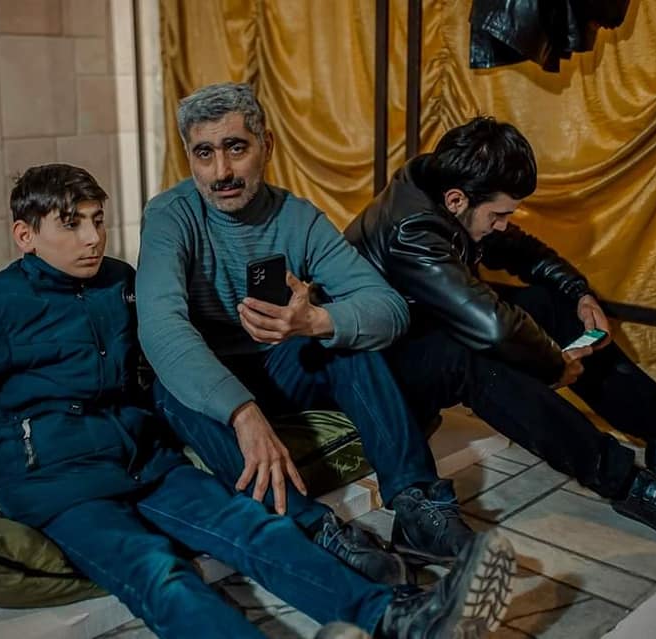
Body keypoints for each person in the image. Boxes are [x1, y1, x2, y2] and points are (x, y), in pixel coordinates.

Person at [0, 163, 518, 639]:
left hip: (142, 458)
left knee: (254, 526)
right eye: (71, 224)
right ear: (25, 234)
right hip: (58, 482)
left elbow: (168, 348)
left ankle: (396, 617)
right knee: (161, 573)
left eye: (97, 219)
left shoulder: (120, 282)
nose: (92, 237)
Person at [344, 116, 656, 553]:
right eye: (498, 215)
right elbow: (493, 327)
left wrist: (579, 292)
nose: (503, 225)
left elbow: (518, 250)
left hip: (424, 325)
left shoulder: (447, 188)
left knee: (548, 303)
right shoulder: (412, 229)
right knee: (481, 358)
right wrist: (555, 365)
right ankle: (626, 483)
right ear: (456, 200)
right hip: (376, 365)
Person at [136, 82, 480, 573]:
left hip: (279, 367)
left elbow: (388, 308)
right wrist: (242, 413)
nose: (221, 171)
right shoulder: (170, 215)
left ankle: (415, 507)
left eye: (236, 148)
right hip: (210, 380)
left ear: (266, 146)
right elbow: (160, 327)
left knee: (345, 340)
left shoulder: (297, 217)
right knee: (170, 388)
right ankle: (314, 529)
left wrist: (315, 320)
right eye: (204, 153)